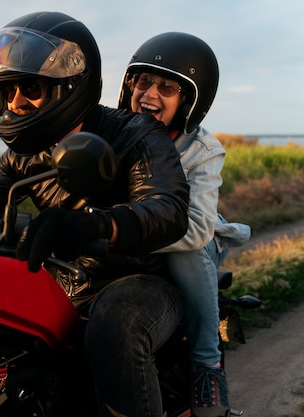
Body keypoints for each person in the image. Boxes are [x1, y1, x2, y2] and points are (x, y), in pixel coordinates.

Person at [0, 12, 190, 416]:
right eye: (6, 91)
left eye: (31, 88)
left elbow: (167, 209)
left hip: (135, 279)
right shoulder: (25, 153)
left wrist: (97, 225)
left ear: (70, 86)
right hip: (62, 278)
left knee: (117, 329)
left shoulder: (136, 133)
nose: (17, 102)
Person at [118, 32, 251, 417]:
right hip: (131, 234)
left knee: (186, 250)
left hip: (189, 239)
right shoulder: (113, 130)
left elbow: (194, 230)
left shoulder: (202, 150)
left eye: (167, 87)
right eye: (143, 82)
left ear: (190, 100)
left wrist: (114, 235)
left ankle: (207, 364)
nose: (150, 94)